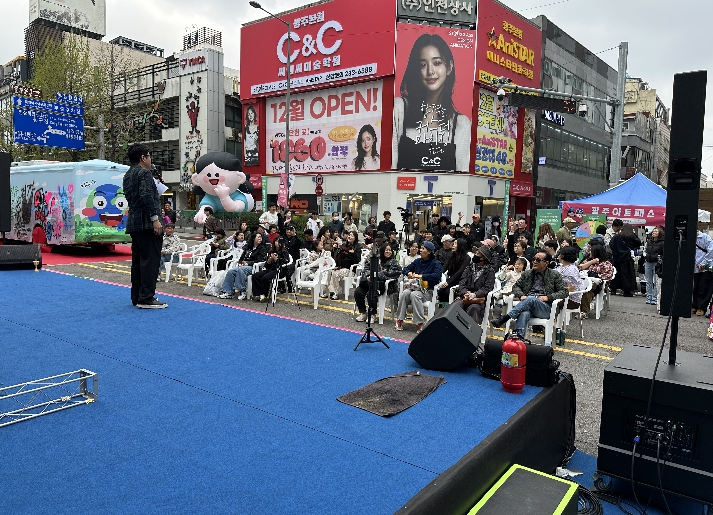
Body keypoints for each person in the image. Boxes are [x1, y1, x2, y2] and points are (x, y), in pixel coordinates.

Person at [392, 32, 471, 172]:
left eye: (437, 63)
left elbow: (462, 176)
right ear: (417, 70)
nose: (430, 71)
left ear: (449, 67)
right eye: (423, 65)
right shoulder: (399, 109)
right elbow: (390, 167)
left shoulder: (461, 124)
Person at [123, 144, 166, 308]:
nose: (150, 159)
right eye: (149, 156)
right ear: (143, 158)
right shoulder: (145, 173)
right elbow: (146, 195)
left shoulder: (128, 175)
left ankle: (137, 296)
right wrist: (155, 218)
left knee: (138, 261)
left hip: (135, 223)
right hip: (147, 223)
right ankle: (147, 297)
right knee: (150, 261)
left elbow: (139, 196)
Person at [491, 251, 569, 337]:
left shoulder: (554, 275)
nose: (534, 262)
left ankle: (505, 318)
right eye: (533, 259)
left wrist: (548, 297)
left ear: (546, 263)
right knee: (524, 313)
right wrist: (521, 295)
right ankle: (518, 337)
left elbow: (564, 292)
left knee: (530, 298)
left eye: (538, 260)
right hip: (527, 304)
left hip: (545, 308)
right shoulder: (527, 273)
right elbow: (516, 286)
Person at [396, 241, 443, 332]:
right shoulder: (417, 261)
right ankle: (400, 319)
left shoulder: (436, 263)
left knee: (414, 295)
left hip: (428, 291)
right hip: (415, 287)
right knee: (405, 293)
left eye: (423, 248)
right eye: (420, 248)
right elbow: (405, 269)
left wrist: (421, 276)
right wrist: (408, 273)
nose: (420, 250)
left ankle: (420, 322)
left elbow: (437, 276)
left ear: (429, 252)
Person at [354, 243, 401, 322]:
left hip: (383, 285)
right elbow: (366, 269)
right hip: (370, 283)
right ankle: (363, 313)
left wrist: (375, 276)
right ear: (382, 251)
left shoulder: (394, 262)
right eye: (386, 250)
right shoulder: (376, 260)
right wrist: (369, 275)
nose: (388, 252)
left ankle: (372, 314)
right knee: (358, 291)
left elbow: (394, 273)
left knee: (371, 293)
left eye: (390, 250)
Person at [452, 245, 496, 325]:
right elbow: (462, 282)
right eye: (476, 253)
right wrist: (465, 293)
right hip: (465, 296)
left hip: (479, 300)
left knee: (473, 308)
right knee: (457, 305)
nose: (475, 255)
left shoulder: (490, 271)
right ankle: (453, 328)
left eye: (478, 254)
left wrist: (475, 294)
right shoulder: (469, 268)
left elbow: (487, 288)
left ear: (483, 258)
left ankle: (469, 331)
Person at [217, 233, 268, 300]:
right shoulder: (248, 247)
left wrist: (248, 263)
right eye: (258, 237)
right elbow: (241, 258)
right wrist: (240, 263)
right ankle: (228, 292)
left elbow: (260, 260)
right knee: (231, 271)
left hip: (255, 267)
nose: (260, 238)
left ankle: (242, 290)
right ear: (253, 238)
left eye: (260, 237)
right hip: (244, 265)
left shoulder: (262, 248)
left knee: (241, 270)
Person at [323, 230, 361, 300]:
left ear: (355, 238)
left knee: (335, 274)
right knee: (330, 272)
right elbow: (337, 257)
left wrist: (353, 253)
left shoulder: (357, 247)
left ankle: (335, 293)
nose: (349, 236)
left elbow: (358, 261)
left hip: (349, 269)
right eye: (349, 235)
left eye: (352, 235)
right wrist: (335, 249)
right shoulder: (343, 245)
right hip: (340, 267)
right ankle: (328, 291)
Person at [578, 243, 614, 317]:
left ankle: (584, 311)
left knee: (587, 289)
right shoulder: (588, 260)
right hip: (584, 281)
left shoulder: (606, 264)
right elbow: (580, 267)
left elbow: (607, 276)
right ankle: (582, 309)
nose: (589, 252)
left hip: (599, 285)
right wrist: (592, 262)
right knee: (582, 288)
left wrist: (593, 275)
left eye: (591, 251)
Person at [250, 238, 291, 302]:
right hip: (271, 269)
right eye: (276, 241)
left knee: (265, 278)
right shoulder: (271, 251)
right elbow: (267, 266)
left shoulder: (284, 252)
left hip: (280, 271)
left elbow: (284, 264)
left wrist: (276, 260)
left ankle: (264, 294)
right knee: (255, 275)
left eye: (279, 241)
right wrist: (269, 261)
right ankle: (258, 294)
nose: (277, 243)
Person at [609, 223, 641, 297]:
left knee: (616, 274)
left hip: (617, 258)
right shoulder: (632, 237)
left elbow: (611, 244)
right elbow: (638, 242)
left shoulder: (617, 236)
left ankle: (613, 289)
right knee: (627, 275)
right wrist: (634, 234)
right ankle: (627, 291)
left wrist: (616, 251)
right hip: (627, 258)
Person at [437, 238, 471, 302]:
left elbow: (460, 272)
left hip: (461, 281)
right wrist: (439, 276)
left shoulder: (467, 258)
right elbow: (444, 267)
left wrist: (448, 282)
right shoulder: (451, 255)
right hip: (451, 279)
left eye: (455, 244)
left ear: (460, 246)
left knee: (447, 292)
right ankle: (442, 307)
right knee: (441, 291)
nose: (452, 245)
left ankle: (450, 306)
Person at [692, 222, 713, 316]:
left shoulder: (705, 237)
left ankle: (702, 307)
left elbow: (711, 251)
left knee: (704, 287)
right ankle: (694, 305)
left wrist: (703, 263)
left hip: (705, 267)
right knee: (695, 287)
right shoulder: (690, 238)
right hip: (695, 267)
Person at [555, 246, 584, 310]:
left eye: (559, 254)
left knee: (547, 300)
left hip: (571, 300)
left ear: (562, 256)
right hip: (562, 296)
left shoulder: (571, 270)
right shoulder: (560, 267)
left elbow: (571, 288)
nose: (558, 256)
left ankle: (553, 316)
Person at [644, 225, 664, 306]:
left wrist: (658, 258)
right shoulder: (648, 241)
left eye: (656, 231)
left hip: (656, 263)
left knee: (656, 282)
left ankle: (654, 298)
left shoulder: (662, 242)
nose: (654, 232)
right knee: (648, 281)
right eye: (653, 231)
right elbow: (645, 250)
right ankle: (649, 297)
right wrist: (645, 256)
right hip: (648, 262)